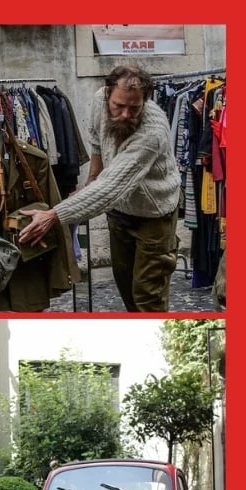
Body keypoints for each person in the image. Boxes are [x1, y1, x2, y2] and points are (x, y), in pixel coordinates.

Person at [18, 64, 181, 312]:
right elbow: (96, 140)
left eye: (134, 108)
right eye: (119, 105)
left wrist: (53, 216)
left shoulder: (152, 133)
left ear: (145, 101)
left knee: (148, 295)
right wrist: (90, 180)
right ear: (107, 94)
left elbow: (111, 186)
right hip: (120, 212)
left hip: (154, 216)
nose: (125, 114)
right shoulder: (99, 100)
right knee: (125, 286)